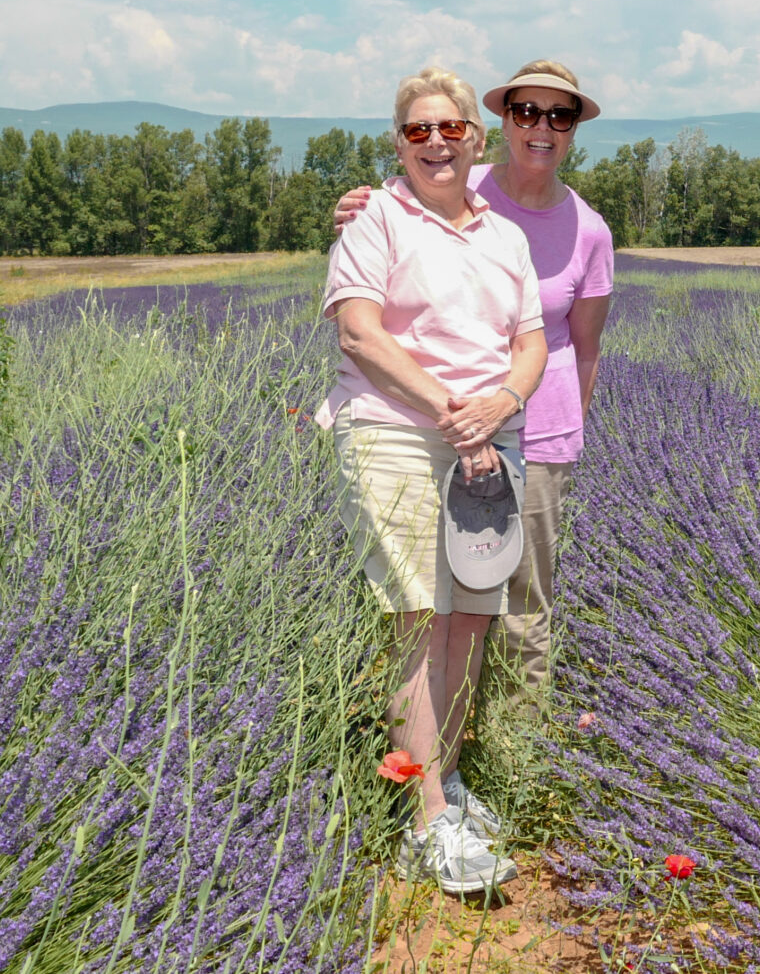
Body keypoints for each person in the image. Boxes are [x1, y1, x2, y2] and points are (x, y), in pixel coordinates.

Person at [316, 66, 547, 897]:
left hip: (489, 438)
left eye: (451, 127)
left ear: (475, 141)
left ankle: (444, 785)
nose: (437, 141)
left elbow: (531, 345)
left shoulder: (505, 237)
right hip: (396, 433)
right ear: (399, 143)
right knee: (419, 613)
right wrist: (457, 410)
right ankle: (426, 822)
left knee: (471, 618)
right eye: (419, 130)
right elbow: (360, 336)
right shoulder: (374, 218)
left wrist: (503, 402)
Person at [335, 59, 613, 715]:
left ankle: (513, 765)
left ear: (573, 129)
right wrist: (350, 203)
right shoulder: (463, 181)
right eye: (526, 112)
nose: (541, 127)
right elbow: (393, 210)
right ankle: (448, 762)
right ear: (499, 125)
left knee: (520, 610)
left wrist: (562, 435)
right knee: (442, 608)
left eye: (559, 115)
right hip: (434, 427)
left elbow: (585, 347)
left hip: (533, 433)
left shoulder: (590, 230)